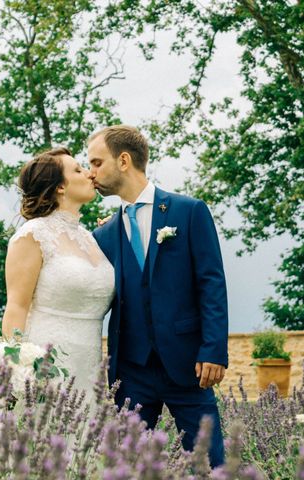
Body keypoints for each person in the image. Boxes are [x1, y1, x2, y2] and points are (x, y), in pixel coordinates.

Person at [89, 125, 228, 467]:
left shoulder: (188, 211)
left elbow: (211, 283)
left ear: (123, 160)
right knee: (128, 468)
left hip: (189, 365)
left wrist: (213, 349)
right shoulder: (102, 234)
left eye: (96, 162)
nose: (91, 173)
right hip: (131, 372)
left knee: (210, 465)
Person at [1, 147, 115, 396]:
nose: (89, 174)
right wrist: (15, 371)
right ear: (60, 187)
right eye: (78, 169)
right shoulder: (33, 234)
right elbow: (17, 307)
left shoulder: (91, 239)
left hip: (90, 367)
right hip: (47, 365)